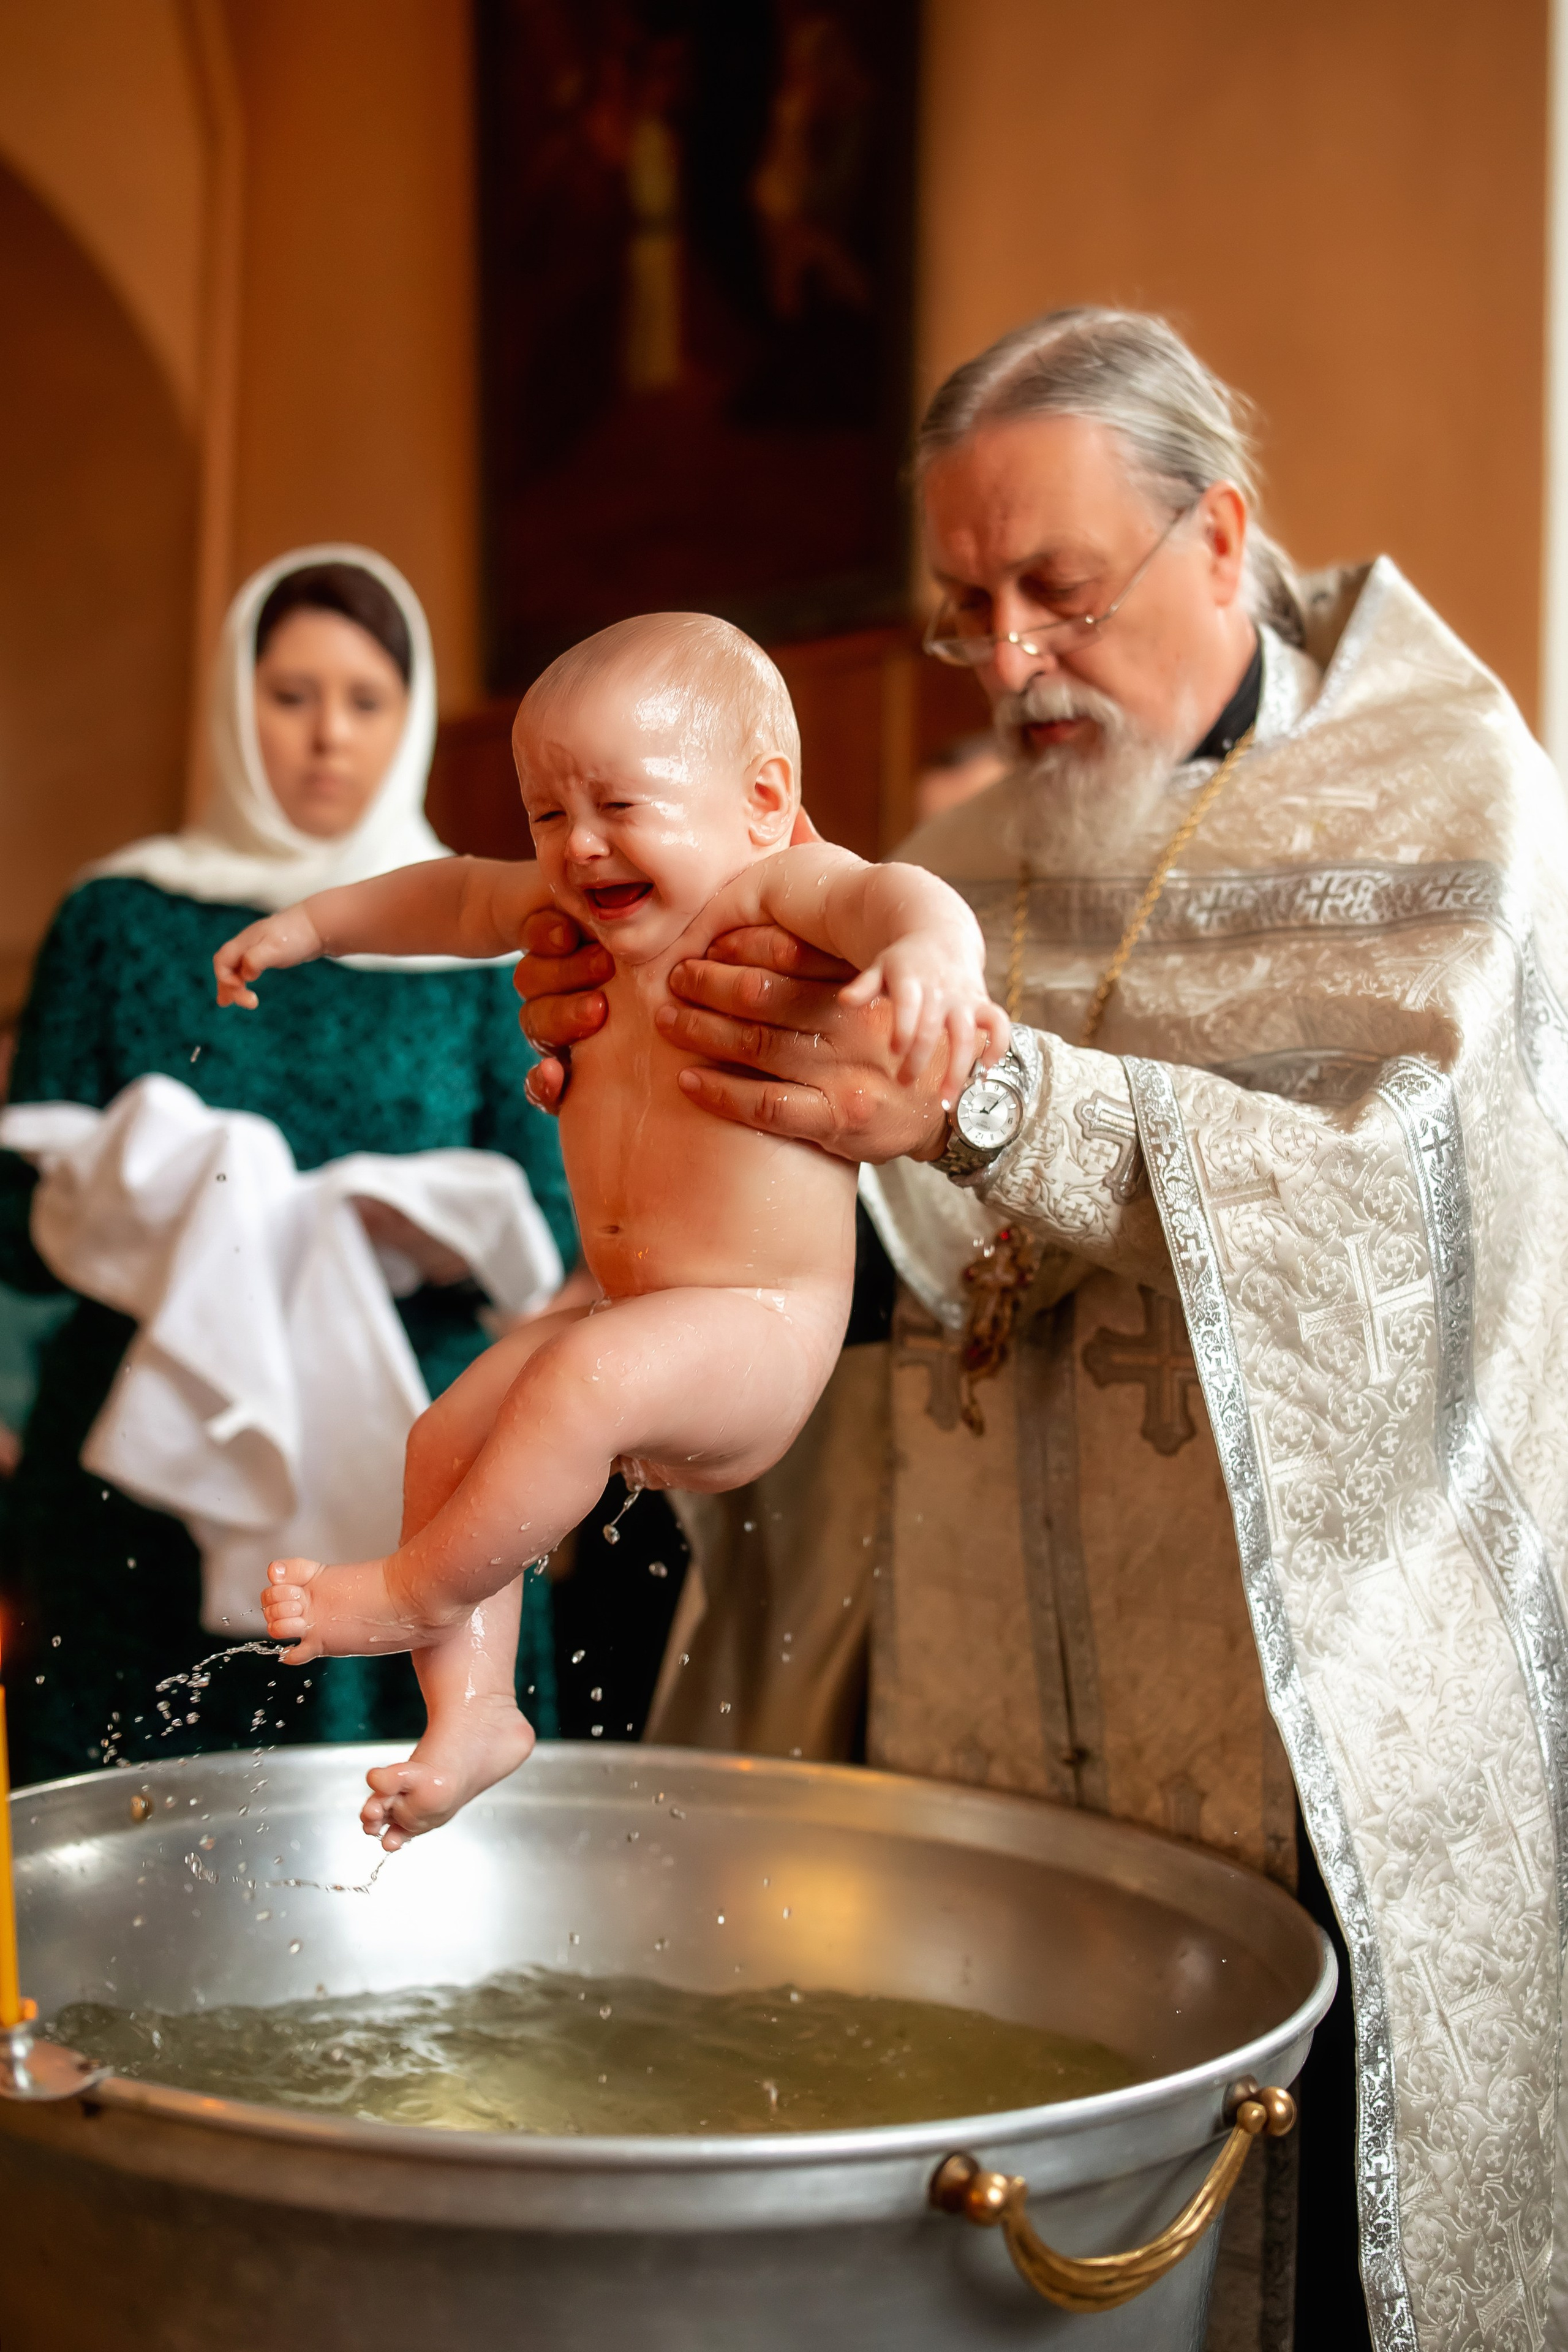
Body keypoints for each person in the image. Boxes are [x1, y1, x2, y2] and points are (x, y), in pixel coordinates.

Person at [511, 312, 1568, 2351]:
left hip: (1323, 1717)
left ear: (1224, 538)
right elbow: (892, 1244)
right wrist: (667, 1072)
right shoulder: (976, 850)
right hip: (1001, 1712)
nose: (1003, 667)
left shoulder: (1464, 801)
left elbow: (1406, 1222)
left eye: (1057, 597)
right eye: (962, 613)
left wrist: (994, 1104)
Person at [213, 611, 1000, 1850]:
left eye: (620, 806)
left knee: (578, 1376)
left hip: (760, 1327)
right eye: (546, 815)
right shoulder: (577, 915)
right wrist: (314, 928)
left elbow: (896, 892)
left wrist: (931, 964)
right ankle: (472, 1715)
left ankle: (416, 1592)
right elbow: (457, 893)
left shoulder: (774, 892)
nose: (577, 848)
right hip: (633, 1317)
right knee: (445, 1439)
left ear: (761, 797)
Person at [0, 546, 576, 1788]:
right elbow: (11, 1211)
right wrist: (157, 1195)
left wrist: (413, 1222)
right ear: (233, 702)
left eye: (365, 702)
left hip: (413, 1455)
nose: (328, 738)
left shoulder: (479, 950)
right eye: (292, 695)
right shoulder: (119, 917)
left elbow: (555, 1222)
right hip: (141, 1449)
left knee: (383, 1808)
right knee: (121, 1819)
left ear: (409, 721)